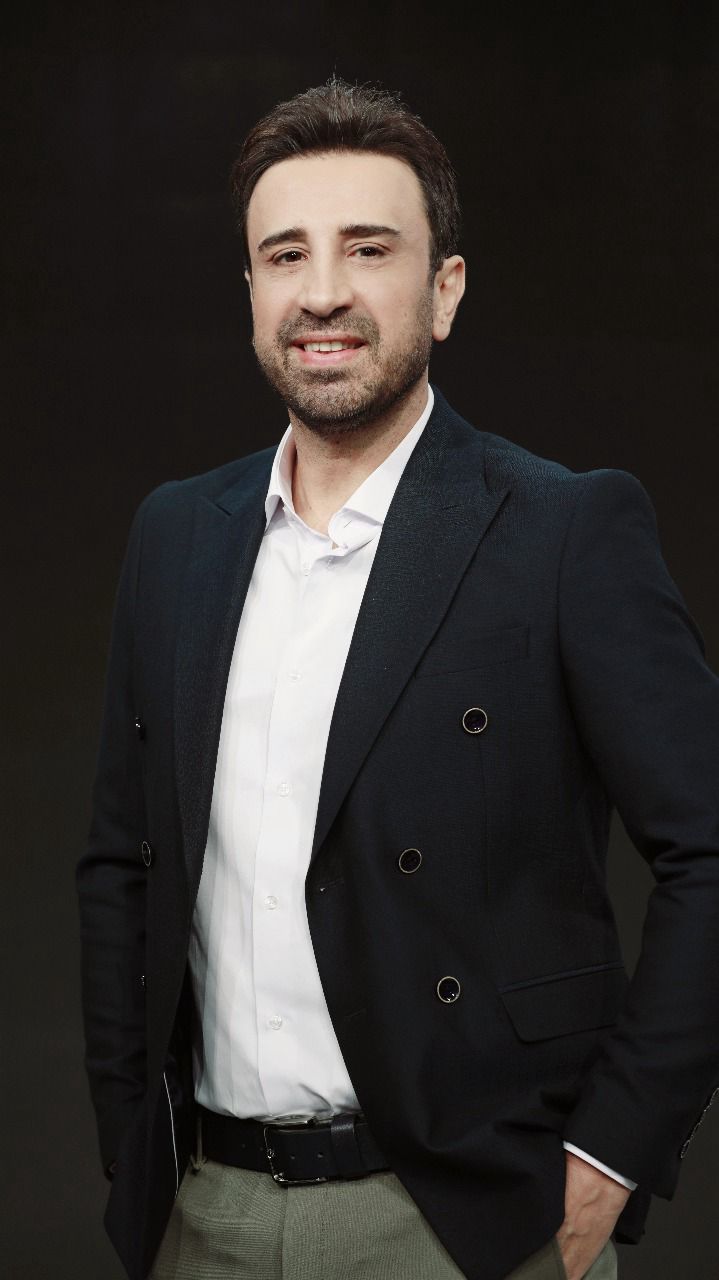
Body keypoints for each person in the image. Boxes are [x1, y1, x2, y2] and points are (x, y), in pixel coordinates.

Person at [77, 78, 719, 1280]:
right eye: (286, 255)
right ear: (252, 290)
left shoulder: (560, 529)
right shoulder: (176, 536)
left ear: (445, 288)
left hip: (468, 1223)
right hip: (204, 1214)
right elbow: (121, 859)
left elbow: (708, 846)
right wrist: (131, 1139)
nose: (322, 290)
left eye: (368, 249)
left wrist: (612, 1153)